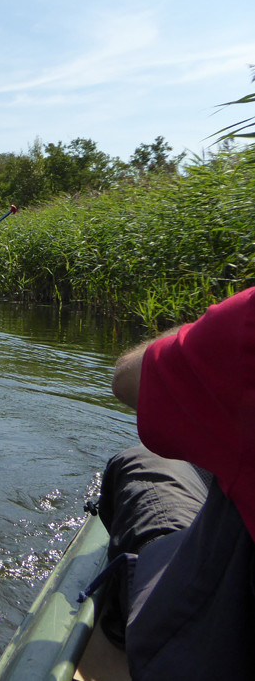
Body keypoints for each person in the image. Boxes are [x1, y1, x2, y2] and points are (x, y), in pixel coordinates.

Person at [94, 286, 255, 679]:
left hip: (220, 652)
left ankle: (129, 617)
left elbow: (126, 379)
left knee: (143, 459)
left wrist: (208, 326)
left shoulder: (248, 322)